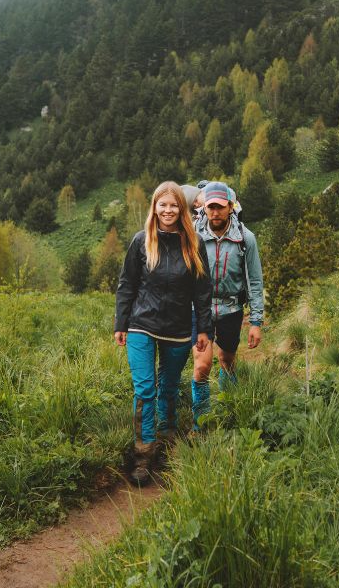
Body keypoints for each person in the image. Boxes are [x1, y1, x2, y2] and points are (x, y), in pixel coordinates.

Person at [114, 181, 212, 485]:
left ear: (181, 209)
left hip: (179, 330)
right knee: (145, 388)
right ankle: (143, 454)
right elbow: (127, 283)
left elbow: (203, 291)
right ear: (154, 208)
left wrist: (204, 329)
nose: (167, 210)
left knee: (168, 387)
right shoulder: (141, 241)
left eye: (173, 205)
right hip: (142, 324)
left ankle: (167, 437)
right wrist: (121, 323)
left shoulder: (193, 244)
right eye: (162, 205)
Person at [191, 181, 264, 428]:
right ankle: (201, 422)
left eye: (220, 207)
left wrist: (255, 321)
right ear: (205, 207)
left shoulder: (245, 239)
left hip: (232, 309)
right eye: (211, 207)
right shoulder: (193, 235)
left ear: (230, 207)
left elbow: (255, 280)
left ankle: (229, 409)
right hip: (199, 309)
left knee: (227, 361)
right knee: (201, 366)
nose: (215, 212)